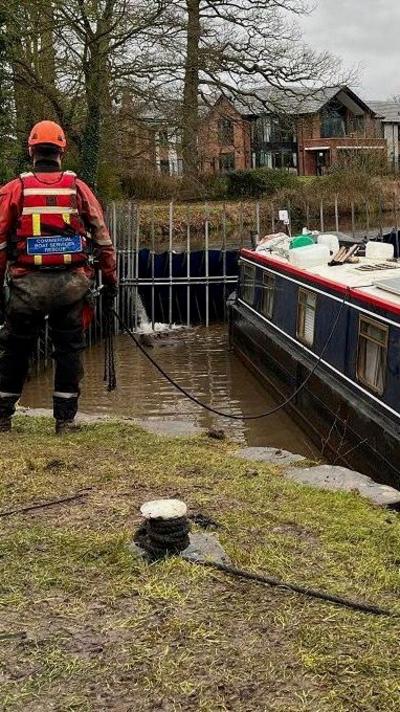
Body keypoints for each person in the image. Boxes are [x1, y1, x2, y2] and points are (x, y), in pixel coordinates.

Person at [0, 120, 118, 433]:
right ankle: (64, 421)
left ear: (31, 151)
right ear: (62, 151)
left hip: (26, 287)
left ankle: (2, 417)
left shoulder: (16, 189)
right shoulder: (77, 188)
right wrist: (110, 282)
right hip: (71, 286)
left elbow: (0, 241)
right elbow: (103, 238)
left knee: (15, 350)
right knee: (68, 350)